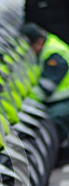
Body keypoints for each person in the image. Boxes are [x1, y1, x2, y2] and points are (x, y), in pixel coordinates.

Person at [22, 22, 69, 167]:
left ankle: (62, 156)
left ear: (39, 41)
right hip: (58, 99)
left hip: (64, 100)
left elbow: (46, 87)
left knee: (55, 121)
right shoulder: (48, 47)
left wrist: (25, 104)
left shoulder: (55, 54)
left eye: (31, 46)